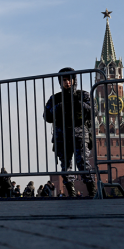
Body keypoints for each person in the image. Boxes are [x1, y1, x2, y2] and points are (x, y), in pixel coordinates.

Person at [44, 67, 97, 198]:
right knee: (66, 164)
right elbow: (47, 117)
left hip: (79, 133)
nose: (67, 82)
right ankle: (71, 192)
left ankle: (92, 192)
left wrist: (78, 104)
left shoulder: (83, 95)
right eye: (64, 80)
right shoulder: (55, 98)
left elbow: (93, 112)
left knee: (83, 162)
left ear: (74, 80)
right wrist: (57, 108)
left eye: (69, 79)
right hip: (61, 135)